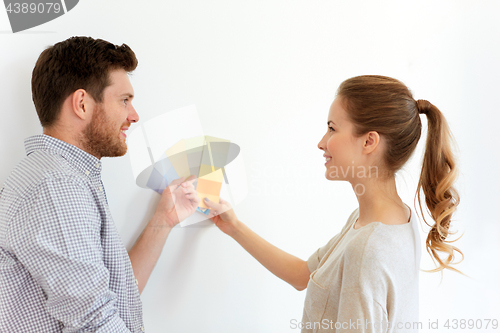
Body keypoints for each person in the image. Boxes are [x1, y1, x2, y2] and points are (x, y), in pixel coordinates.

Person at [203, 75, 463, 332]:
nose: (321, 143)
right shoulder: (388, 219)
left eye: (332, 128)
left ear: (369, 141)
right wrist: (234, 226)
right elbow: (303, 275)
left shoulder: (367, 249)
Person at [0, 36, 200, 332]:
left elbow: (111, 297)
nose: (134, 116)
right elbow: (94, 321)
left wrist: (163, 220)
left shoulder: (62, 178)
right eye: (124, 100)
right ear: (81, 104)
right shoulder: (58, 187)